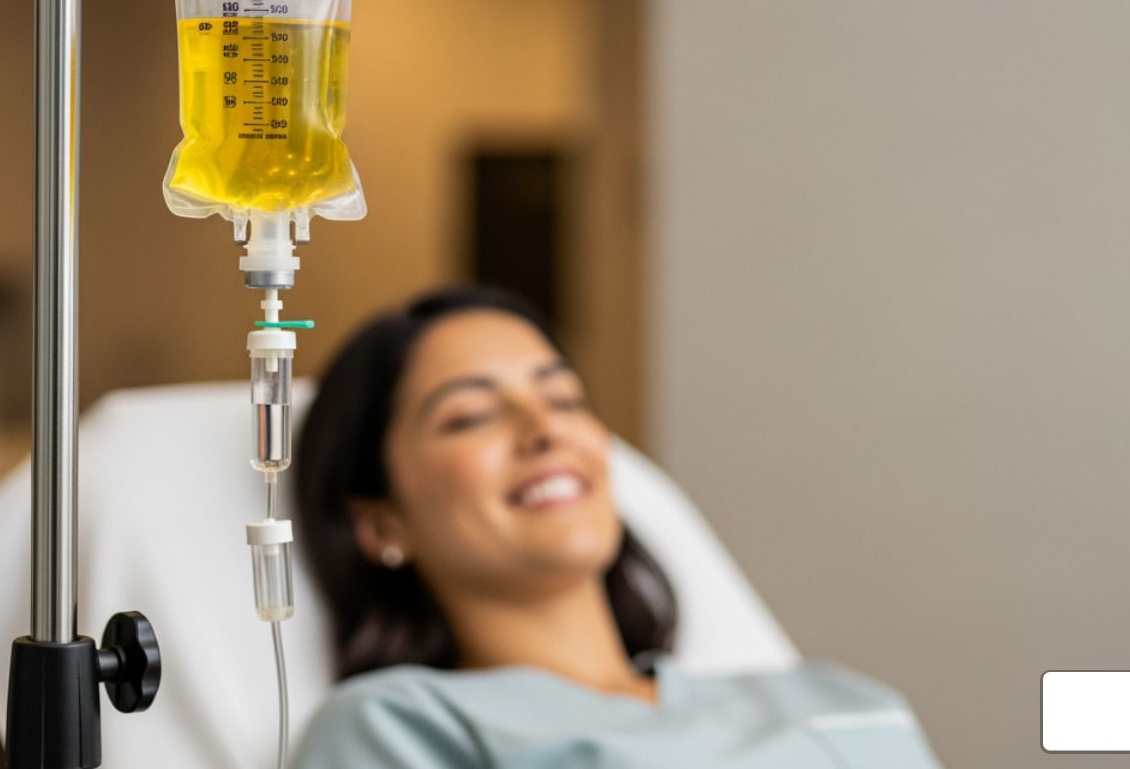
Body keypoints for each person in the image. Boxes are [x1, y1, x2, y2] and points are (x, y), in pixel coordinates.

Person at [293, 286, 943, 767]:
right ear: (381, 523)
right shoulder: (397, 727)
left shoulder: (835, 694)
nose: (547, 429)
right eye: (472, 415)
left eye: (564, 399)